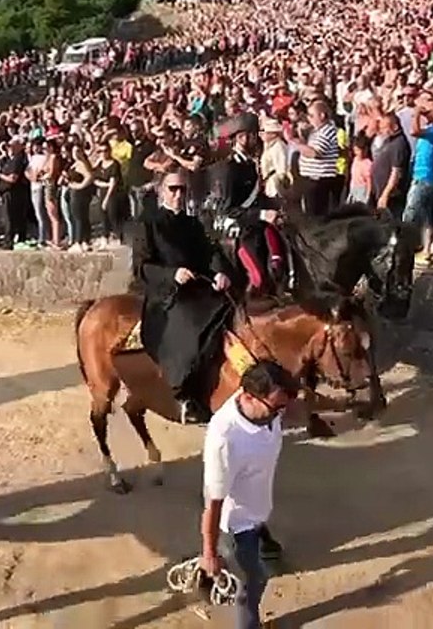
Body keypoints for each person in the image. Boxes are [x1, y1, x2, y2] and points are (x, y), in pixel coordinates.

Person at [201, 360, 298, 629]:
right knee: (253, 581)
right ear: (247, 397)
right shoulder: (225, 440)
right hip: (236, 526)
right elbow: (213, 503)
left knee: (254, 573)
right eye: (276, 407)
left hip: (256, 511)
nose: (280, 414)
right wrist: (209, 552)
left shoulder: (266, 409)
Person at [134, 170, 235, 424]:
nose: (178, 195)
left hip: (198, 290)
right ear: (161, 192)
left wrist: (220, 272)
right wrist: (172, 274)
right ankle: (183, 395)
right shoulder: (148, 222)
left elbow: (210, 252)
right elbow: (142, 267)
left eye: (182, 190)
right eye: (173, 189)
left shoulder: (193, 223)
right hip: (166, 295)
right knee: (189, 329)